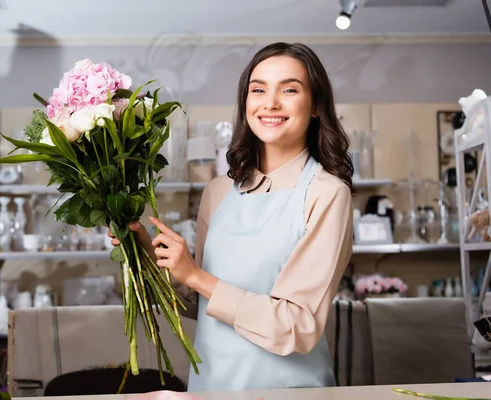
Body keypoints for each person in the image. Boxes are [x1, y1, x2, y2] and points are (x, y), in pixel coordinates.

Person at [109, 42, 354, 392]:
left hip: (289, 392)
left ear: (315, 105)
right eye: (258, 90)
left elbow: (297, 326)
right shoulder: (219, 192)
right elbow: (201, 303)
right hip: (212, 388)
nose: (270, 103)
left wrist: (195, 276)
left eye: (289, 89)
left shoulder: (327, 193)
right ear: (245, 103)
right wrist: (149, 256)